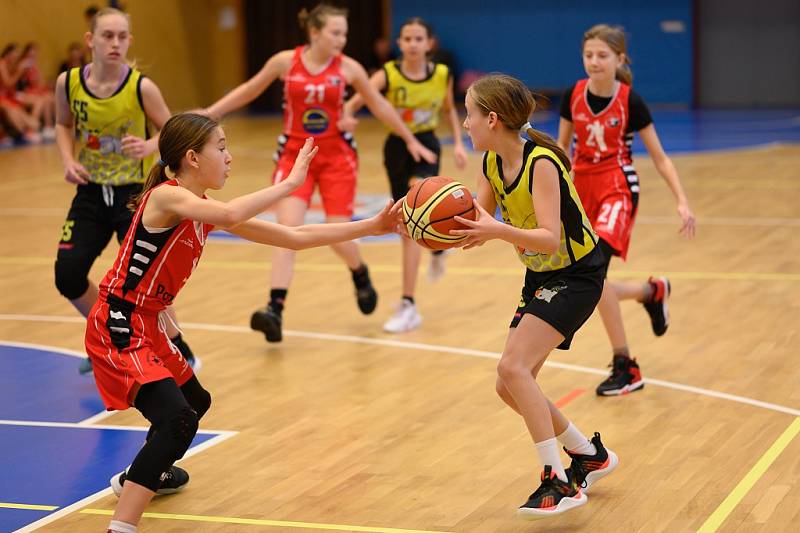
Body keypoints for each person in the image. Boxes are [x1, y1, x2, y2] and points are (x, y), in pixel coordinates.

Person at [90, 112, 402, 533]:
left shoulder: (204, 210)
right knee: (177, 419)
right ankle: (121, 526)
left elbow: (293, 237)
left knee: (195, 404)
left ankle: (140, 476)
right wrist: (291, 184)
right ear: (192, 159)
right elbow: (235, 214)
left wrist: (374, 225)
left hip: (148, 323)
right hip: (118, 323)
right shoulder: (167, 197)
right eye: (220, 147)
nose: (229, 157)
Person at [204, 3, 436, 343]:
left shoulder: (349, 68)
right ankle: (275, 309)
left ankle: (358, 270)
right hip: (295, 156)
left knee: (337, 230)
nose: (342, 39)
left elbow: (380, 105)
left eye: (344, 33)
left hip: (337, 158)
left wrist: (409, 138)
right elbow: (251, 89)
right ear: (315, 32)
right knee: (287, 229)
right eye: (335, 32)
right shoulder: (286, 61)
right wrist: (212, 112)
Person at [451, 74, 617, 519]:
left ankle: (557, 480)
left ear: (492, 118)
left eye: (468, 114)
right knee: (509, 386)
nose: (464, 124)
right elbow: (477, 218)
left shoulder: (541, 162)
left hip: (578, 274)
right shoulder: (490, 163)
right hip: (541, 276)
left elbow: (547, 237)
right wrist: (427, 221)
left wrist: (495, 231)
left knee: (512, 367)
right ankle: (588, 455)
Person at [54, 7, 199, 374]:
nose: (115, 43)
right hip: (90, 193)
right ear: (91, 40)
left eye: (122, 36)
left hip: (134, 196)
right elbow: (61, 124)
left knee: (145, 280)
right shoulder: (68, 83)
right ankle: (102, 335)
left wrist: (150, 147)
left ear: (129, 41)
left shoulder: (140, 87)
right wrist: (68, 160)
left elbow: (172, 132)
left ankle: (177, 347)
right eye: (107, 35)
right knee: (67, 274)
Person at [556, 24, 696, 396]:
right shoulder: (572, 94)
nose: (594, 61)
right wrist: (552, 195)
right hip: (581, 189)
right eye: (589, 55)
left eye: (603, 55)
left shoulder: (631, 101)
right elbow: (561, 151)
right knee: (590, 281)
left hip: (618, 188)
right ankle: (651, 292)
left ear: (619, 59)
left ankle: (626, 366)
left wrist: (681, 200)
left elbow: (661, 158)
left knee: (593, 274)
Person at [343, 17, 467, 333]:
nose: (412, 44)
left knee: (413, 213)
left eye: (418, 38)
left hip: (426, 145)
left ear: (429, 44)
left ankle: (408, 303)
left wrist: (458, 144)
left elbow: (450, 109)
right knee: (407, 222)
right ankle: (437, 247)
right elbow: (357, 100)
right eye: (407, 38)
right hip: (396, 148)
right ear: (400, 44)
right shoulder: (388, 74)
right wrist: (347, 116)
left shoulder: (441, 74)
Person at [0, 43, 41, 143]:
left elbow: (37, 82)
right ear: (8, 54)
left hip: (10, 96)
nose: (16, 57)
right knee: (13, 110)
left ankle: (31, 129)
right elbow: (8, 84)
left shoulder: (13, 65)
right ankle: (24, 133)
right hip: (3, 96)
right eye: (15, 54)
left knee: (25, 110)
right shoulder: (2, 64)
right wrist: (19, 72)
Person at [16, 42, 56, 140]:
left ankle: (49, 126)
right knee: (41, 100)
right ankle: (32, 129)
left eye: (36, 51)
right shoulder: (23, 64)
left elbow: (39, 83)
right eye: (32, 51)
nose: (34, 53)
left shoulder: (33, 65)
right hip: (22, 92)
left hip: (32, 91)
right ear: (26, 52)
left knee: (51, 97)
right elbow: (25, 83)